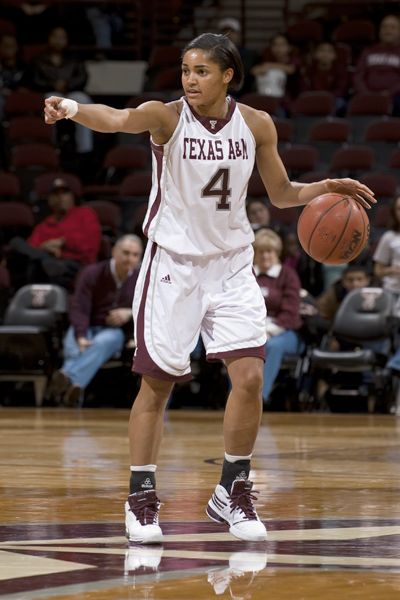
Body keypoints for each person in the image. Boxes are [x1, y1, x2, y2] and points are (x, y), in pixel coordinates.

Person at [44, 32, 375, 545]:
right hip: (173, 264)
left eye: (201, 71)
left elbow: (283, 193)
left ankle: (231, 489)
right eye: (185, 70)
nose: (190, 79)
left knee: (248, 376)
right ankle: (140, 494)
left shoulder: (256, 124)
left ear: (227, 76)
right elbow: (115, 118)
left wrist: (327, 188)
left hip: (231, 263)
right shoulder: (167, 117)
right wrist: (69, 107)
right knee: (157, 384)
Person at [50, 234, 142, 406]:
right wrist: (81, 335)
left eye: (135, 255)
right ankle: (74, 388)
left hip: (114, 331)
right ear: (114, 252)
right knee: (74, 346)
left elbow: (148, 309)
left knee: (103, 342)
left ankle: (66, 377)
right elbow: (79, 307)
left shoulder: (141, 279)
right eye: (126, 253)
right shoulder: (92, 273)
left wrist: (129, 313)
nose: (130, 258)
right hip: (86, 325)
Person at [8, 177, 101, 290]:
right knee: (16, 243)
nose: (61, 198)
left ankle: (48, 264)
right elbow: (29, 249)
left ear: (72, 197)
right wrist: (44, 248)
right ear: (49, 200)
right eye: (56, 194)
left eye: (65, 193)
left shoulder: (85, 214)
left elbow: (90, 246)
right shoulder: (43, 226)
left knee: (42, 264)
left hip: (75, 267)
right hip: (44, 268)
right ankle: (47, 262)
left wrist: (62, 241)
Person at [253, 229, 303, 404]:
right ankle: (237, 397)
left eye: (270, 251)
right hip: (252, 330)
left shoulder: (288, 275)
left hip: (283, 331)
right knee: (239, 348)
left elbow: (291, 312)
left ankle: (259, 398)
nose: (266, 256)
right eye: (261, 251)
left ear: (277, 253)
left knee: (272, 346)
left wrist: (268, 331)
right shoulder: (247, 274)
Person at [27, 26, 94, 154]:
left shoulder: (75, 58)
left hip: (72, 92)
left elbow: (82, 77)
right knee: (49, 101)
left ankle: (85, 149)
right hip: (50, 91)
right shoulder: (39, 59)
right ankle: (51, 146)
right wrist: (52, 84)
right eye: (55, 37)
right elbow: (34, 80)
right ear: (49, 38)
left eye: (62, 37)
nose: (58, 40)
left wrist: (67, 84)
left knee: (84, 101)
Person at [353, 14, 400, 116]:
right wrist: (365, 93)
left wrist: (389, 93)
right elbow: (358, 75)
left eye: (393, 27)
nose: (388, 30)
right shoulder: (369, 51)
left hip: (395, 97)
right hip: (366, 95)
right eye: (384, 27)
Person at [251, 33, 300, 115]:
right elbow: (254, 71)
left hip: (288, 102)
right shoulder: (266, 57)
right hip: (267, 99)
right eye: (275, 45)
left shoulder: (294, 59)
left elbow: (291, 69)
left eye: (282, 45)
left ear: (289, 47)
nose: (278, 48)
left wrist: (270, 66)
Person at [300, 41, 349, 116]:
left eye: (329, 51)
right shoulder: (309, 70)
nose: (325, 54)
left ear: (334, 55)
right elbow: (305, 90)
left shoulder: (341, 70)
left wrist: (325, 100)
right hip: (313, 99)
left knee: (340, 103)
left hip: (332, 99)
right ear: (316, 54)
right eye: (322, 50)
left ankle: (329, 123)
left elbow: (341, 90)